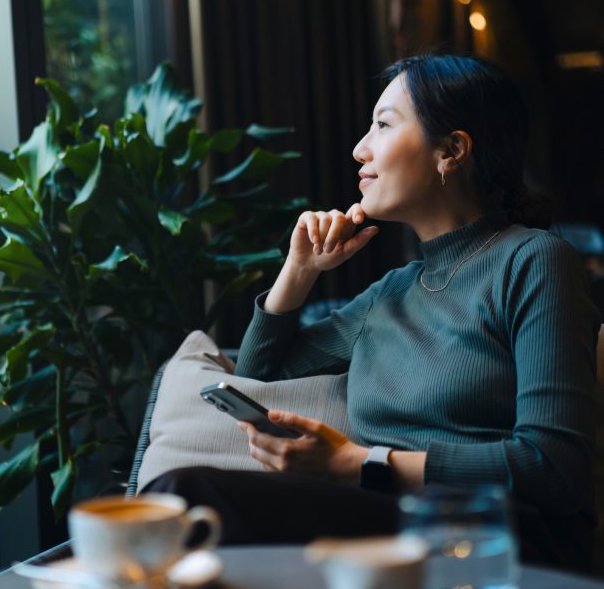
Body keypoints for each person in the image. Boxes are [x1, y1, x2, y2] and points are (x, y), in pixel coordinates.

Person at [144, 54, 600, 572]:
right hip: (387, 524)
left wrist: (355, 464)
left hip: (499, 537)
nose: (360, 149)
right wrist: (299, 270)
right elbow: (256, 376)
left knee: (188, 495)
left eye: (383, 125)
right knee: (176, 509)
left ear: (451, 150)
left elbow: (556, 470)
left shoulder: (535, 260)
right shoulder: (390, 294)